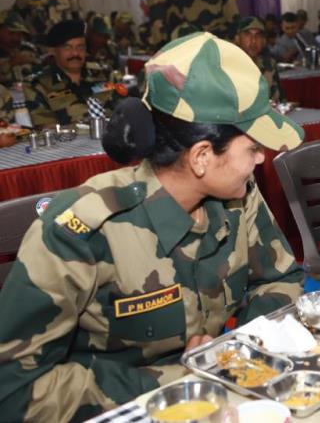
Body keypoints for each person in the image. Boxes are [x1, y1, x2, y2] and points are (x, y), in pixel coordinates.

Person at [0, 32, 304, 422]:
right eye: (252, 148)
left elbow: (283, 279)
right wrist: (175, 380)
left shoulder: (238, 197)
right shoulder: (86, 231)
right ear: (202, 156)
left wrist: (233, 346)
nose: (262, 159)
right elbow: (14, 387)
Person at [23, 20, 121, 127]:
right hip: (68, 141)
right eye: (67, 47)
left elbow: (123, 112)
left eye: (80, 47)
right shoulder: (38, 85)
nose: (75, 53)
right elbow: (46, 128)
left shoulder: (104, 74)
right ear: (53, 51)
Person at [233, 16, 283, 102]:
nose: (253, 41)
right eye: (247, 35)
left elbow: (279, 99)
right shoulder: (228, 65)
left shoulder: (269, 64)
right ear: (237, 39)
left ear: (264, 41)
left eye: (258, 36)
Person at [0, 9, 38, 87]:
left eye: (19, 34)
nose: (16, 38)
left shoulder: (27, 48)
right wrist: (12, 63)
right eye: (11, 33)